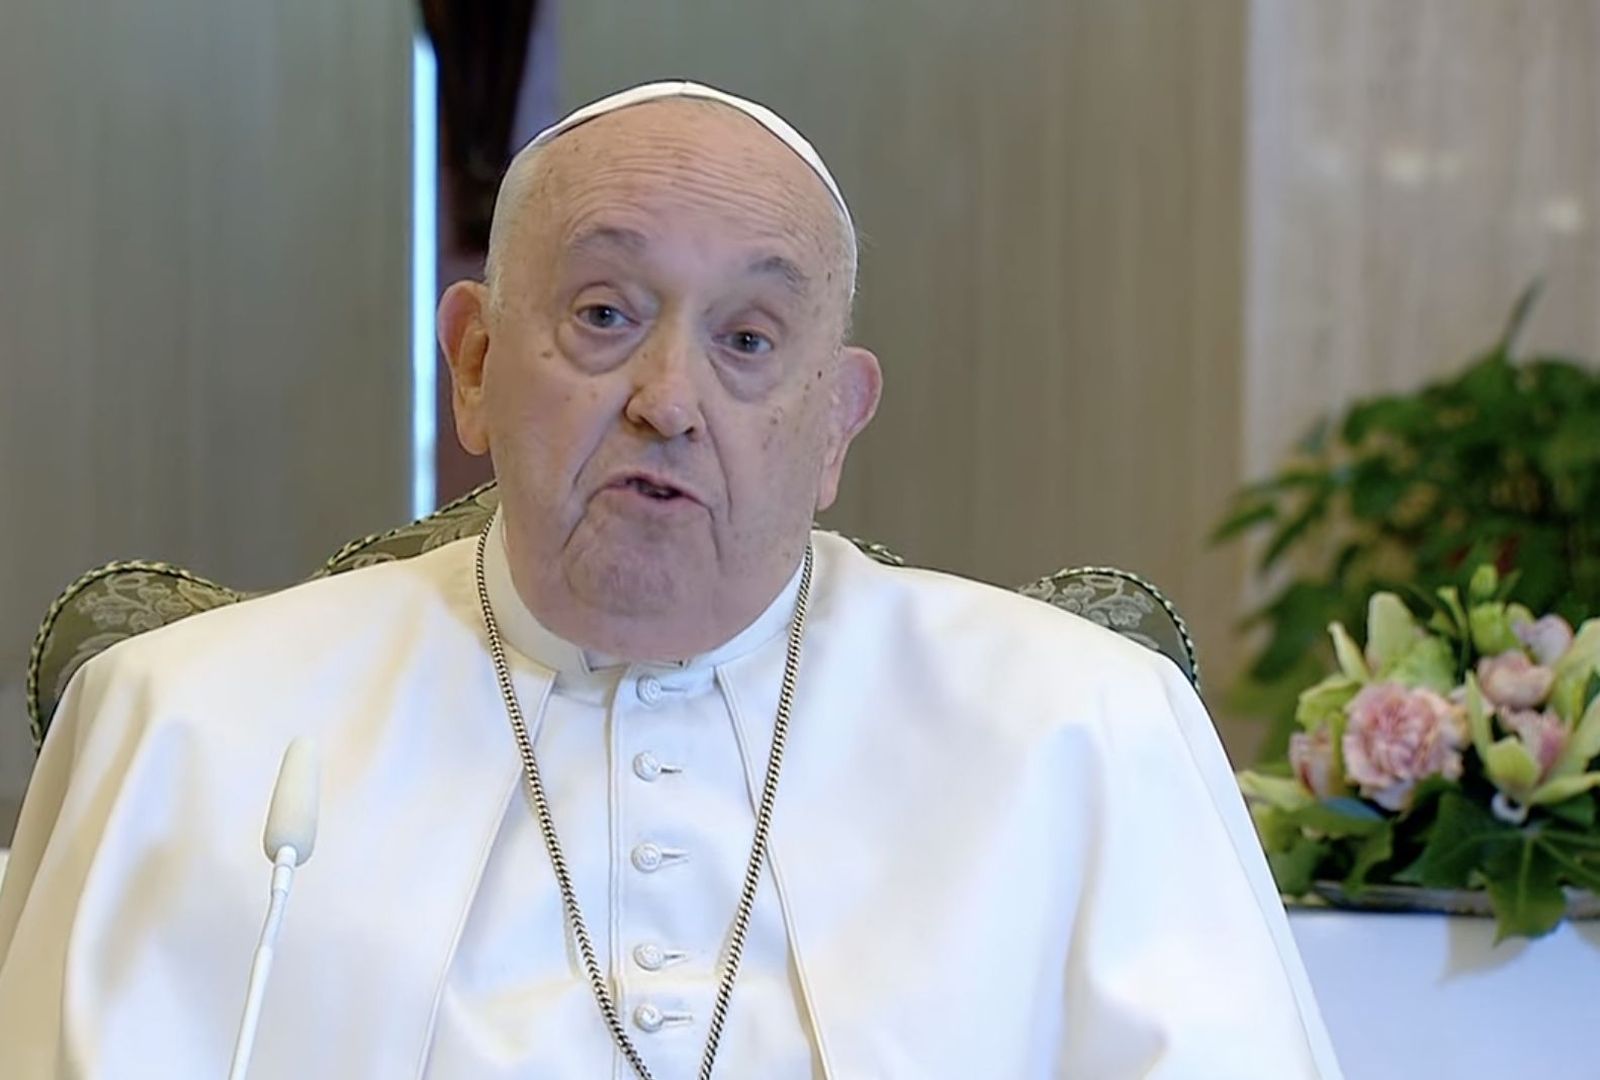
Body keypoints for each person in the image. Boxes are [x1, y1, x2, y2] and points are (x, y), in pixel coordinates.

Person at [0, 81, 1341, 1078]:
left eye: (751, 339)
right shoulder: (179, 724)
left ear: (836, 425)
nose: (668, 400)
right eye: (603, 315)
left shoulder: (1084, 729)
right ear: (472, 362)